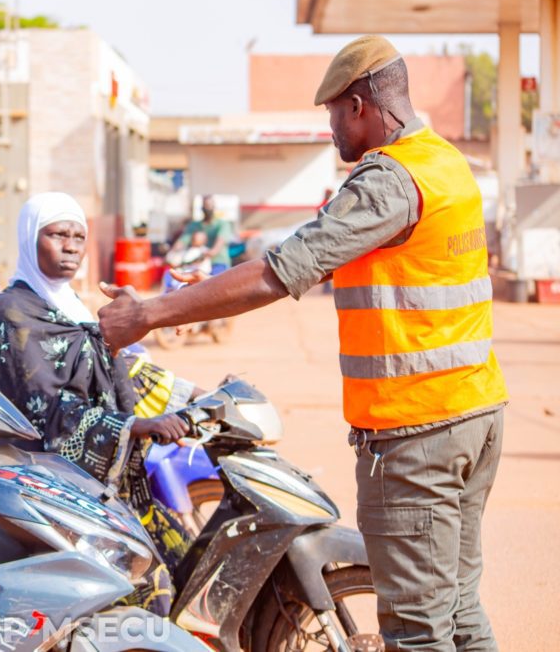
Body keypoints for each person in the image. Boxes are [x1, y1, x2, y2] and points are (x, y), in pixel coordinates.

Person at [97, 35, 507, 652]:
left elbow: (279, 272)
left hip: (417, 432)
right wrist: (208, 284)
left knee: (417, 631)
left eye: (334, 114)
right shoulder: (442, 162)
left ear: (359, 105)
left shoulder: (389, 179)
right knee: (459, 610)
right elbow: (319, 243)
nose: (332, 130)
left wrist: (148, 314)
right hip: (473, 415)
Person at [0, 192, 195, 613]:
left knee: (184, 553)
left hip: (101, 483)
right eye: (57, 234)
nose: (70, 246)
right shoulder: (10, 312)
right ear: (29, 238)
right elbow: (41, 411)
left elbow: (119, 368)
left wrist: (193, 396)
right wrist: (132, 427)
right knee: (146, 585)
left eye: (78, 237)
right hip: (48, 484)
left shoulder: (74, 307)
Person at [166, 194, 236, 274]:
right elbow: (182, 241)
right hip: (196, 264)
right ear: (202, 208)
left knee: (214, 280)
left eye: (210, 206)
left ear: (214, 207)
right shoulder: (194, 226)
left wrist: (204, 255)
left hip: (217, 262)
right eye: (205, 206)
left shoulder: (222, 224)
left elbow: (217, 246)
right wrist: (171, 254)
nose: (208, 209)